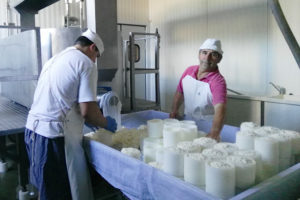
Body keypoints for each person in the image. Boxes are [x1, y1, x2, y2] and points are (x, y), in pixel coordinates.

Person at [24, 29, 117, 200]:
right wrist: (105, 123)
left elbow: (63, 99)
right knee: (59, 193)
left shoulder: (54, 59)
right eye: (97, 56)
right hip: (54, 138)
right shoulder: (86, 63)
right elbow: (87, 112)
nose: (95, 61)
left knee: (45, 189)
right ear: (92, 47)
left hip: (32, 131)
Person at [170, 38, 226, 142]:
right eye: (204, 53)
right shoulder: (189, 71)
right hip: (187, 123)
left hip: (207, 127)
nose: (207, 58)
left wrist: (214, 132)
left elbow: (220, 108)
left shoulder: (218, 81)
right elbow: (179, 92)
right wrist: (174, 111)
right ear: (199, 54)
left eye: (213, 54)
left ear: (219, 59)